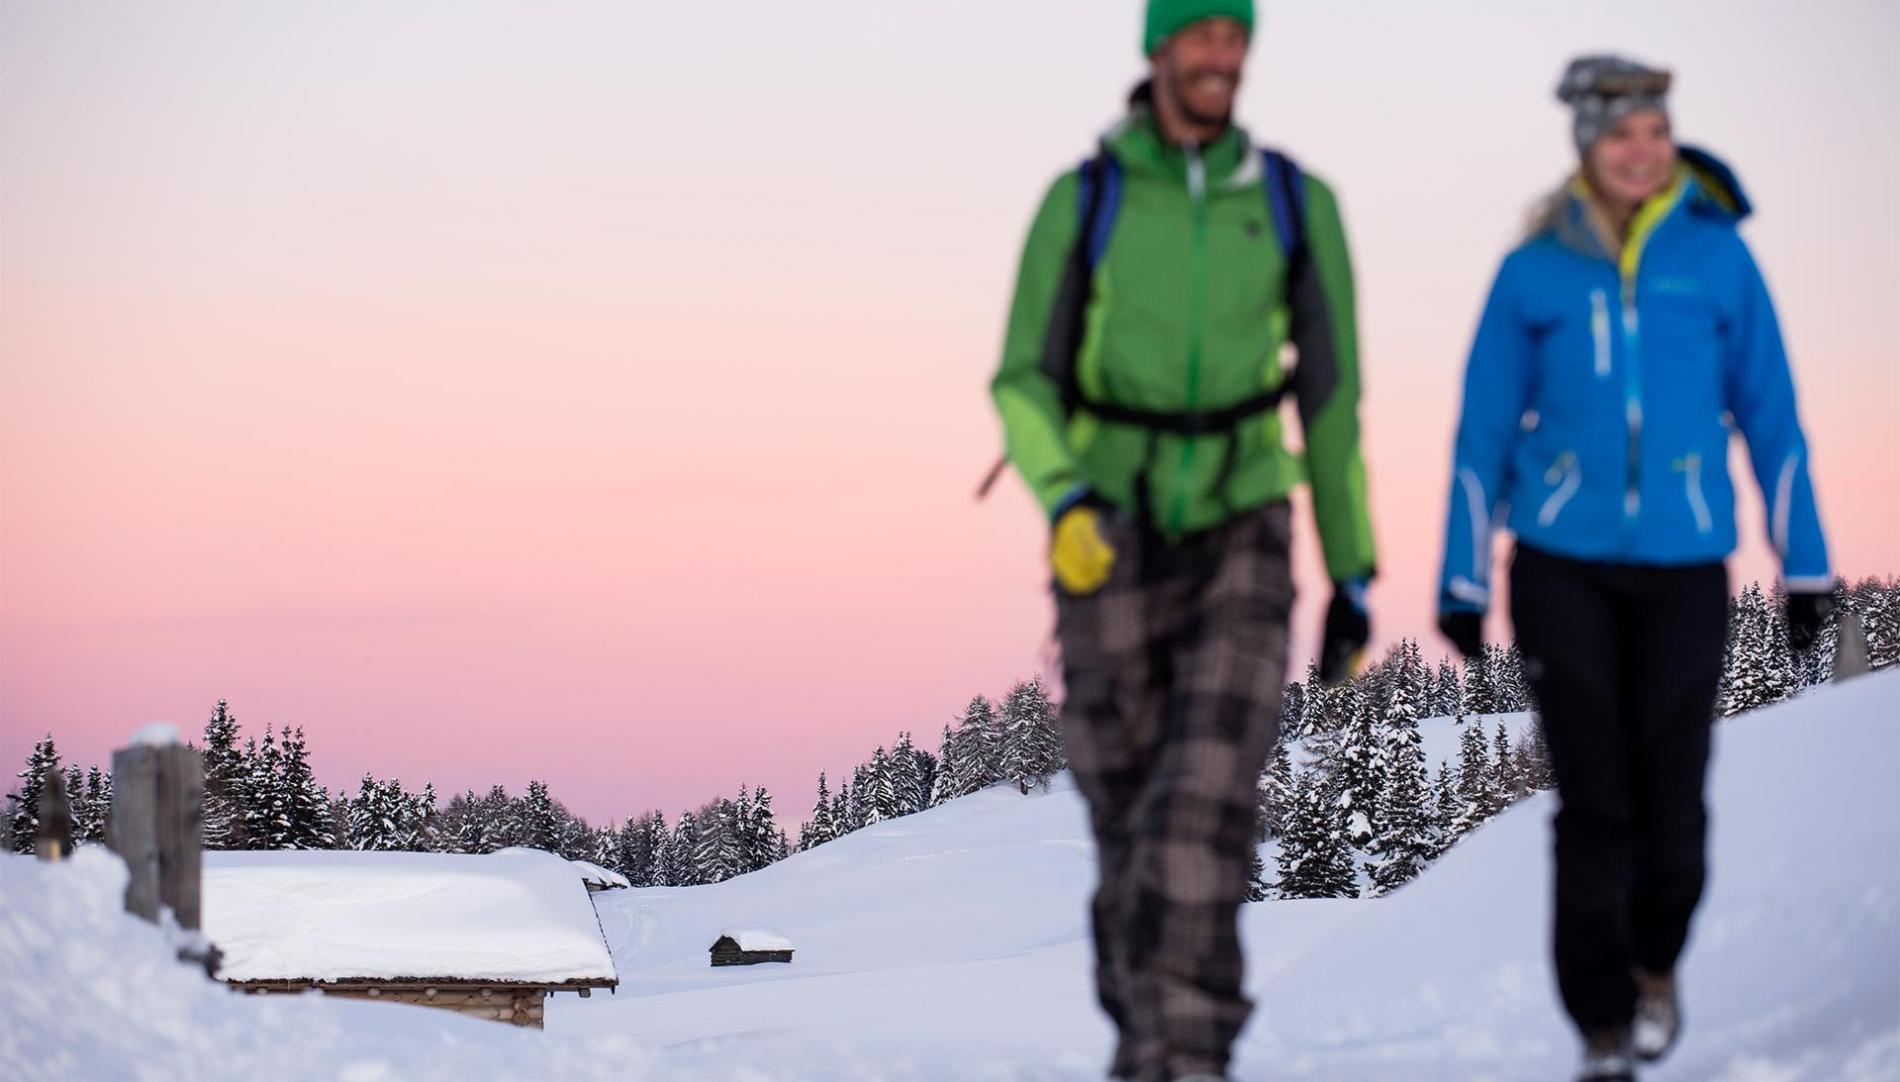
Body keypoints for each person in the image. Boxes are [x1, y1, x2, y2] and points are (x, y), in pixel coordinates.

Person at [989, 2, 1377, 1078]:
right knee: (1126, 821)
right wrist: (1063, 499)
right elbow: (1022, 378)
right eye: (1198, 33)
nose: (1220, 54)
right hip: (1107, 528)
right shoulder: (1087, 199)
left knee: (1198, 807)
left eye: (1234, 34)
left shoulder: (1297, 203)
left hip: (1244, 520)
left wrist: (1350, 568)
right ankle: (1146, 1044)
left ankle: (1188, 1057)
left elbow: (1333, 399)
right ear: (1157, 48)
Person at [1436, 56, 1835, 1082]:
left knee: (1673, 810)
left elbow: (1773, 419)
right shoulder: (1535, 268)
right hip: (1559, 565)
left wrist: (1805, 568)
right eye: (1620, 136)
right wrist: (1461, 577)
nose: (1641, 151)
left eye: (1654, 131)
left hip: (1683, 567)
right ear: (1584, 146)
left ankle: (1655, 962)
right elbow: (1480, 432)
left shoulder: (1716, 259)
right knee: (1592, 803)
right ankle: (1601, 1027)